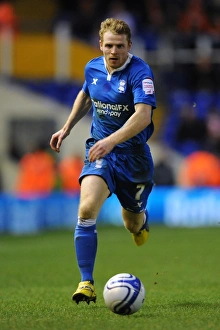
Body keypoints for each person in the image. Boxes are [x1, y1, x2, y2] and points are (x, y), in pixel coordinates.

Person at [50, 18, 156, 305]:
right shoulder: (93, 67)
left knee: (131, 224)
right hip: (99, 152)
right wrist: (67, 127)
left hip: (133, 158)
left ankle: (141, 220)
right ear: (100, 45)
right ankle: (86, 283)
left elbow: (143, 116)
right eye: (108, 45)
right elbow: (86, 95)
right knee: (86, 210)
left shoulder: (140, 72)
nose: (113, 51)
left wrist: (112, 141)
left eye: (119, 46)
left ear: (129, 46)